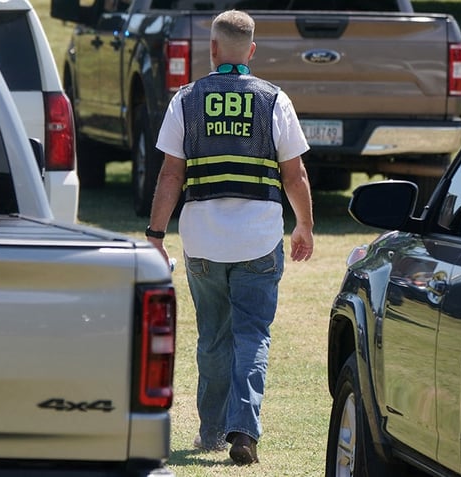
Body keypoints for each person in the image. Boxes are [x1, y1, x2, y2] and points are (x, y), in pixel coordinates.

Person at [144, 9, 314, 466]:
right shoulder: (274, 99)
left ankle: (212, 432)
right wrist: (305, 225)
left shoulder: (186, 99)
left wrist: (156, 234)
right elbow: (294, 173)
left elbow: (169, 175)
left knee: (213, 338)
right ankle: (244, 430)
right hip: (258, 240)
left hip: (202, 242)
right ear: (252, 51)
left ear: (213, 49)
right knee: (252, 335)